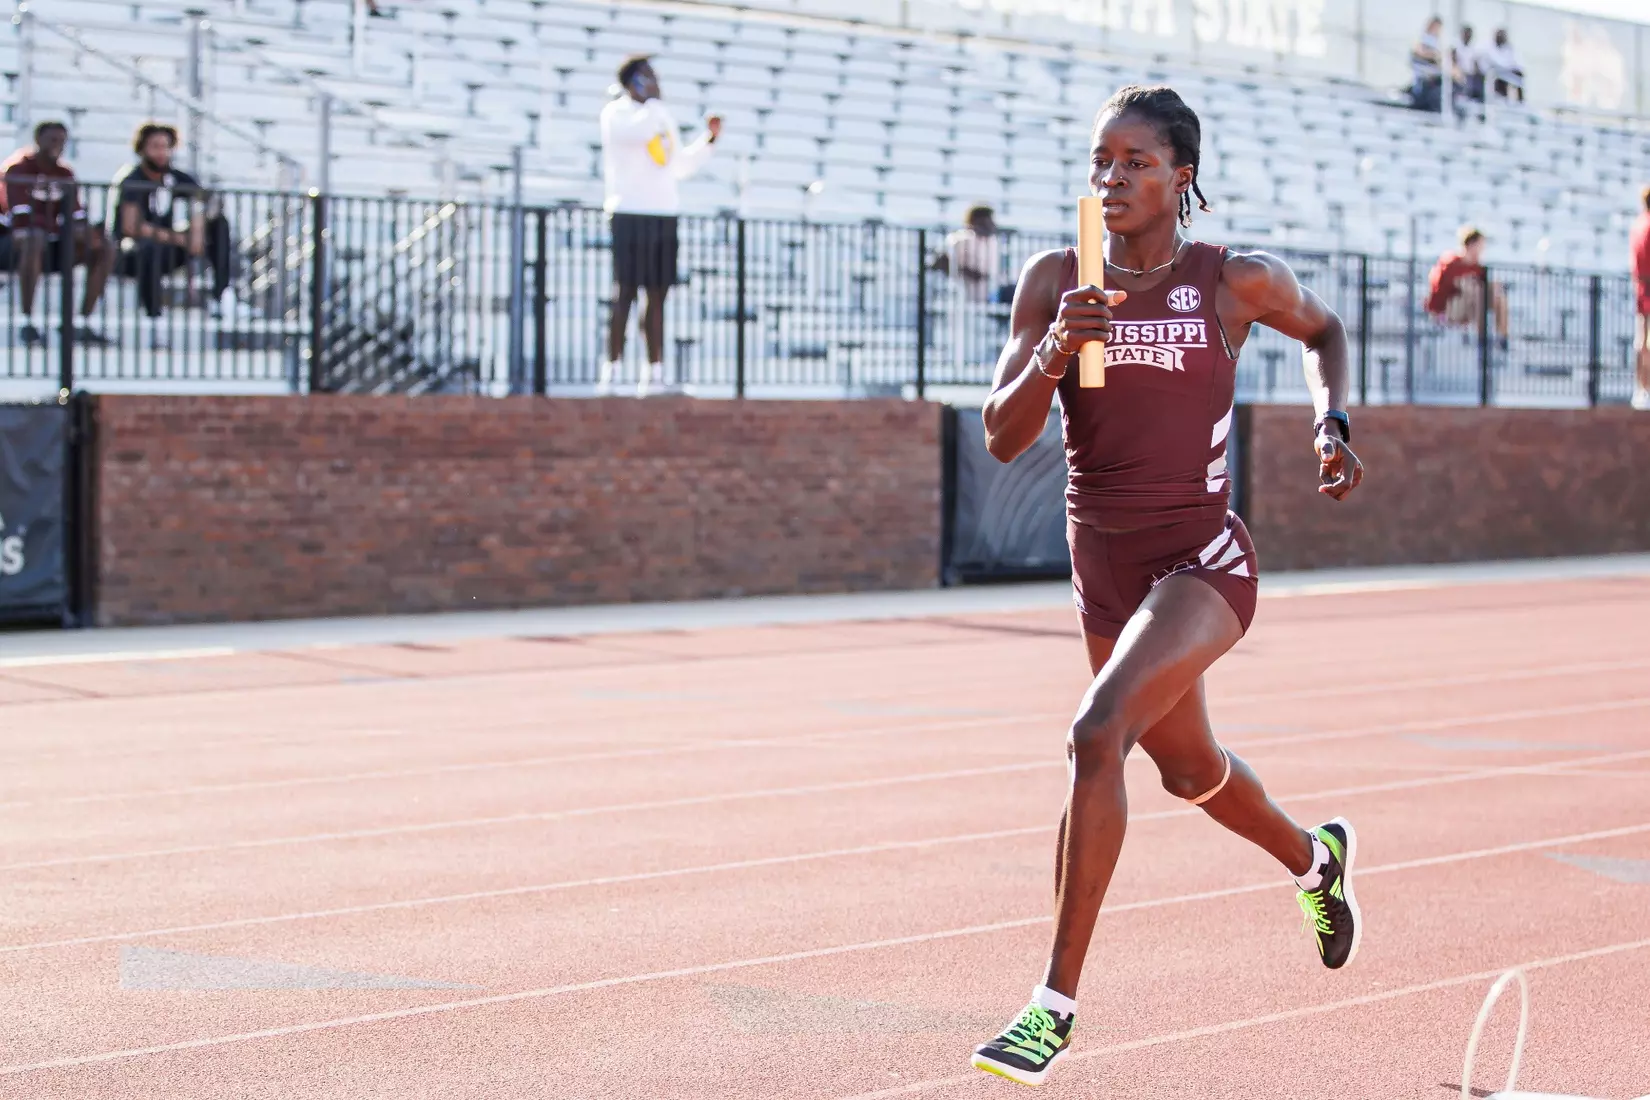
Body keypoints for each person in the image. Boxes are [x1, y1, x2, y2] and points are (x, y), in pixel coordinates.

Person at [968, 85, 1365, 1088]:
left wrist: (1333, 423)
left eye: (1134, 161)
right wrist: (1059, 342)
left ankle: (1050, 1006)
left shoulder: (1229, 279)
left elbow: (1324, 333)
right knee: (1186, 771)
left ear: (1179, 175)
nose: (1111, 177)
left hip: (1202, 562)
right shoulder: (1059, 277)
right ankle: (1316, 860)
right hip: (1103, 570)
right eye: (1099, 160)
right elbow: (1002, 435)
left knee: (1095, 733)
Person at [598, 54, 721, 396]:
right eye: (648, 77)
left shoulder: (660, 114)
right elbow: (636, 134)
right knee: (624, 293)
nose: (655, 83)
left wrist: (708, 142)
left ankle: (654, 373)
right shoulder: (616, 114)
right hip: (628, 213)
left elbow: (677, 165)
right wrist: (652, 104)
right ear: (633, 82)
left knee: (657, 296)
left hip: (663, 214)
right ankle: (612, 370)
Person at [109, 122, 238, 348]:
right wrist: (177, 238)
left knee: (219, 226)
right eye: (155, 146)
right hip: (133, 252)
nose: (161, 152)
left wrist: (196, 233)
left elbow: (200, 205)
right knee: (149, 248)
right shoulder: (132, 179)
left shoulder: (179, 178)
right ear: (142, 148)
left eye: (166, 146)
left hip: (172, 248)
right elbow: (132, 227)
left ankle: (221, 296)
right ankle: (154, 321)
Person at [0, 121, 114, 345]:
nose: (58, 146)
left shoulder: (65, 173)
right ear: (38, 141)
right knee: (33, 238)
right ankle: (27, 321)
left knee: (105, 246)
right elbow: (20, 218)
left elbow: (75, 215)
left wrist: (88, 233)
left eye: (62, 141)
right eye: (52, 140)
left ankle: (80, 322)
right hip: (11, 245)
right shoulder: (18, 169)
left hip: (49, 243)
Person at [1425, 226, 1508, 341]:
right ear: (1471, 244)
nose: (1483, 249)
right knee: (1475, 290)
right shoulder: (1451, 262)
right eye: (1480, 245)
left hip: (1470, 307)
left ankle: (1502, 338)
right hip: (1448, 309)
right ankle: (1481, 338)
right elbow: (1440, 289)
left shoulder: (1478, 268)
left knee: (1499, 298)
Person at [1631, 187, 1650, 410]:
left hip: (1642, 289)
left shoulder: (1638, 224)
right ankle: (1644, 388)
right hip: (1648, 289)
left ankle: (1641, 389)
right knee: (1645, 342)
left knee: (1642, 341)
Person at [1409, 16, 1444, 112]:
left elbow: (1441, 58)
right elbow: (1418, 51)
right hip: (1421, 80)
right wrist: (1432, 55)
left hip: (1434, 81)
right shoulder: (1421, 37)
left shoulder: (1438, 42)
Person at [1452, 25, 1485, 113]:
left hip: (1471, 75)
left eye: (1469, 34)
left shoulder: (1473, 49)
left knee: (1481, 81)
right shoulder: (1456, 47)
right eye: (1466, 34)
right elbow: (1454, 63)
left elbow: (1476, 64)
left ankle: (1481, 109)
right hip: (1459, 74)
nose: (1467, 36)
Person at [1487, 29, 1524, 103]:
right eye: (1499, 36)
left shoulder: (1509, 47)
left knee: (1518, 75)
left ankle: (1520, 101)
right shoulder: (1489, 47)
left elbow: (1514, 60)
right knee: (1501, 79)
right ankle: (1501, 98)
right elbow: (1495, 61)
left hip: (1508, 70)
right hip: (1497, 72)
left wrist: (1512, 68)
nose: (1501, 38)